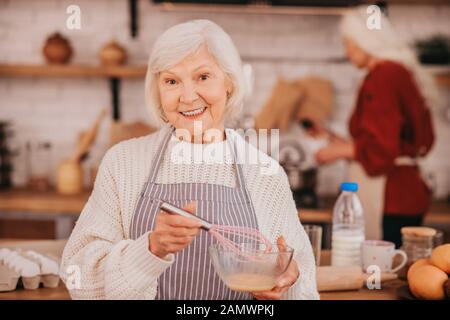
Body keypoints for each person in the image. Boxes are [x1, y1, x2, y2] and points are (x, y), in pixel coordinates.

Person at [60, 19, 319, 300]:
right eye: (171, 81)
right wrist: (150, 250)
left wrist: (286, 284)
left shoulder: (265, 174)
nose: (187, 96)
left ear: (229, 83)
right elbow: (78, 276)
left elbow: (303, 284)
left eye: (203, 77)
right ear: (158, 90)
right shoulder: (122, 163)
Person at [315, 8, 437, 247]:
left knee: (382, 276)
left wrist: (338, 151)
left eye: (348, 43)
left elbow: (382, 150)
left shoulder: (384, 75)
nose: (346, 51)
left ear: (364, 41)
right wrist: (334, 139)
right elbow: (387, 139)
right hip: (404, 194)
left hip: (391, 196)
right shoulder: (397, 72)